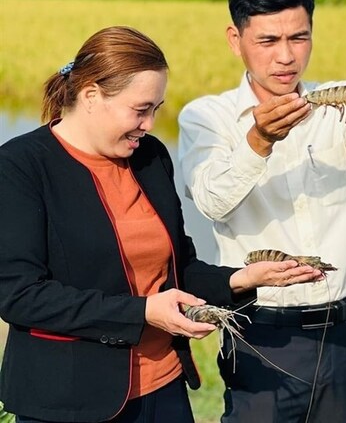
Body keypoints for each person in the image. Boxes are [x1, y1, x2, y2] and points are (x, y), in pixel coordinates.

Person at [0, 26, 320, 423]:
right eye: (140, 109)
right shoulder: (19, 166)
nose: (150, 124)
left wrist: (242, 279)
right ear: (91, 96)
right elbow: (19, 296)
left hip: (164, 390)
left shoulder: (149, 157)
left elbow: (177, 269)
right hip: (69, 402)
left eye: (156, 109)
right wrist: (143, 312)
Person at [177, 0, 346, 422]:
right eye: (268, 40)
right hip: (262, 335)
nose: (286, 56)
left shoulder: (340, 97)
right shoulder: (207, 117)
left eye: (299, 37)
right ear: (235, 40)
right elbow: (212, 201)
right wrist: (258, 141)